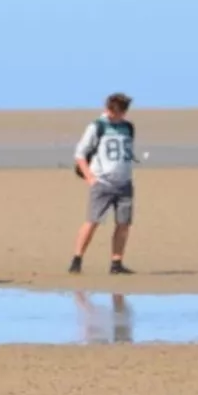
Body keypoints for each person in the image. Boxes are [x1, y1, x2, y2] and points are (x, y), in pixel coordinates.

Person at [70, 93, 137, 275]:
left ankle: (117, 262)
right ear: (108, 109)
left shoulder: (128, 127)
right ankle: (77, 259)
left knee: (123, 224)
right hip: (102, 182)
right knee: (93, 221)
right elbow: (80, 154)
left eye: (122, 112)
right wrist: (89, 177)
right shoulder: (97, 126)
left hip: (124, 182)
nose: (118, 116)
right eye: (115, 112)